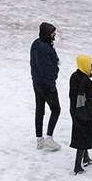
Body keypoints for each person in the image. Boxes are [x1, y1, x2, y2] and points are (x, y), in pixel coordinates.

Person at [30, 21, 61, 151]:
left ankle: (39, 140)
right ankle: (49, 138)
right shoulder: (46, 48)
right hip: (47, 85)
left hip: (36, 82)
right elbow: (48, 69)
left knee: (39, 110)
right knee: (56, 109)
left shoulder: (35, 44)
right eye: (53, 32)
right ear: (47, 34)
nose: (55, 34)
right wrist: (54, 74)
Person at [69, 54, 92, 174]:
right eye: (91, 66)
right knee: (82, 138)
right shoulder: (84, 80)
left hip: (75, 111)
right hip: (84, 114)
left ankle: (86, 158)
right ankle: (77, 167)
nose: (91, 69)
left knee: (83, 135)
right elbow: (90, 94)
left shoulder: (74, 76)